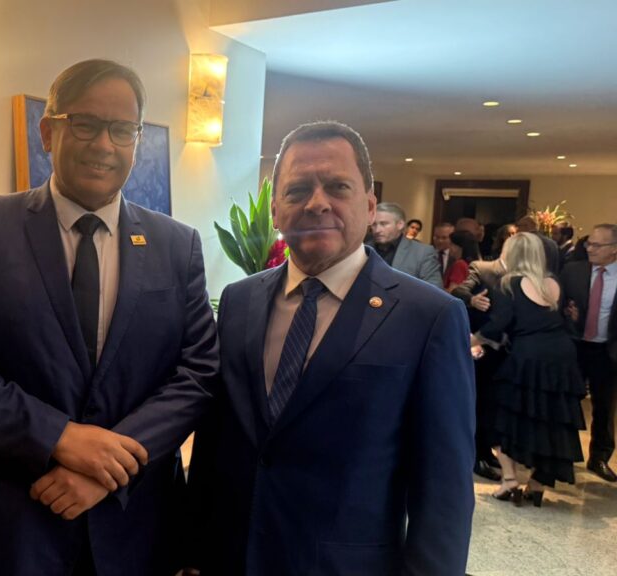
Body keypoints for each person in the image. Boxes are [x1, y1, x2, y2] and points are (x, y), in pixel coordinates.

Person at [0, 59, 219, 575]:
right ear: (48, 132)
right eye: (85, 123)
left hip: (135, 525)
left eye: (121, 129)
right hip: (13, 522)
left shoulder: (178, 244)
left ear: (136, 140)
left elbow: (198, 372)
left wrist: (110, 467)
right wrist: (59, 437)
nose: (104, 144)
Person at [187, 121, 475, 575]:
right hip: (234, 559)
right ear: (275, 210)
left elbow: (445, 491)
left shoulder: (430, 317)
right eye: (298, 189)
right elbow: (216, 440)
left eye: (338, 187)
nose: (317, 202)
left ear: (369, 205)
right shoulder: (239, 301)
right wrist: (195, 551)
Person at [472, 233, 586, 506]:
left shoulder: (508, 283)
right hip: (562, 355)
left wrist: (472, 340)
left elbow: (499, 323)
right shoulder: (554, 282)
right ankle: (537, 484)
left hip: (528, 355)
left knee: (505, 414)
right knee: (550, 417)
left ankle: (510, 480)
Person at [560, 223, 617, 482]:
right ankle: (563, 454)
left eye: (596, 245)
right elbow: (558, 306)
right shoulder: (573, 271)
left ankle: (599, 457)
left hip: (607, 351)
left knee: (604, 406)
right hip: (575, 346)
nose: (589, 248)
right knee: (567, 401)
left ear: (614, 249)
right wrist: (571, 317)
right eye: (589, 243)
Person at [452, 248, 511, 482]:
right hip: (482, 346)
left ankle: (486, 450)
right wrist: (472, 299)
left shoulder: (526, 274)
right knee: (480, 402)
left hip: (506, 350)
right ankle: (476, 456)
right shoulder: (483, 268)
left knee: (494, 404)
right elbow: (459, 290)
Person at [368, 202, 443, 285]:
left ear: (400, 225)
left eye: (383, 224)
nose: (377, 230)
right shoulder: (363, 249)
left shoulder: (422, 253)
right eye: (374, 224)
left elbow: (434, 288)